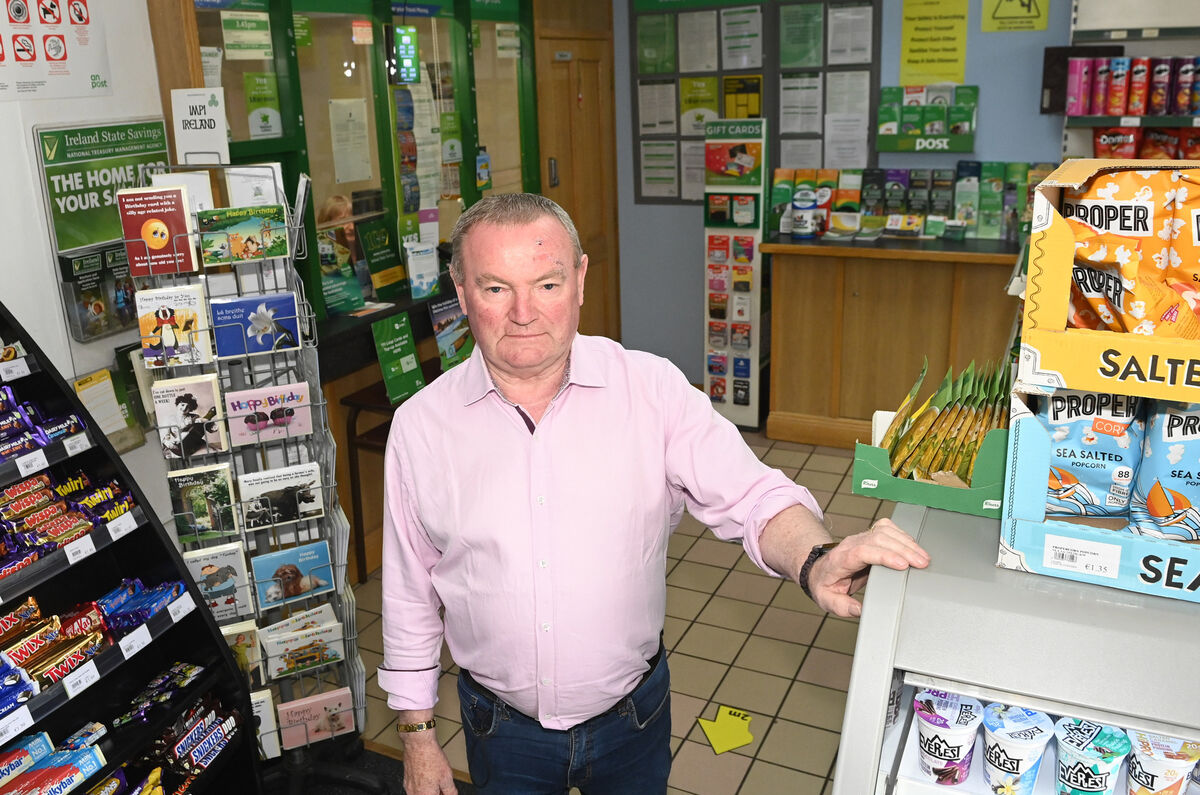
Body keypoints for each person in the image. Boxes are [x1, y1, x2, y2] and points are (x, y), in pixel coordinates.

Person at [378, 194, 930, 795]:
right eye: (495, 289)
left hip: (631, 721)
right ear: (461, 293)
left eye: (547, 285)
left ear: (580, 280)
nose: (524, 313)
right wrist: (418, 736)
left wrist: (816, 559)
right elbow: (409, 592)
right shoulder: (420, 427)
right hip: (499, 730)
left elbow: (752, 494)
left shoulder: (651, 390)